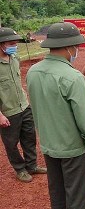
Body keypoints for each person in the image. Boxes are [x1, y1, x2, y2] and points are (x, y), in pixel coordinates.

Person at [26, 22, 85, 209]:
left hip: (49, 144)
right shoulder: (73, 77)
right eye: (76, 46)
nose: (77, 50)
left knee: (57, 191)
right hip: (72, 148)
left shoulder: (33, 72)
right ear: (70, 47)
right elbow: (84, 116)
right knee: (78, 197)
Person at [0, 27, 47, 183]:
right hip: (7, 111)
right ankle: (20, 169)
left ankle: (32, 166)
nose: (14, 46)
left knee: (29, 136)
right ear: (1, 44)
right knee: (11, 143)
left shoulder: (14, 59)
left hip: (24, 106)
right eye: (11, 43)